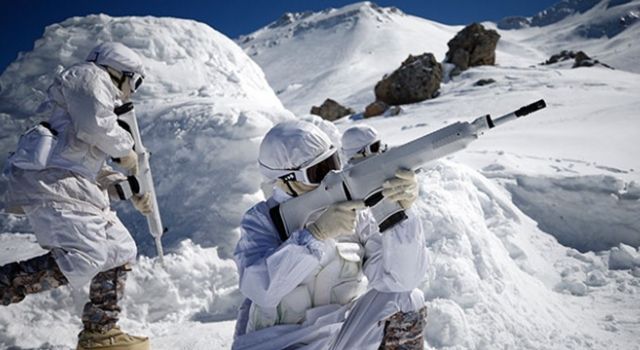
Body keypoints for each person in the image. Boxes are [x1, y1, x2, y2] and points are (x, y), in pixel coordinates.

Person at [0, 42, 151, 350]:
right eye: (134, 82)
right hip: (53, 185)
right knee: (86, 257)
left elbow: (87, 160)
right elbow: (96, 127)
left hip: (74, 185)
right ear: (119, 72)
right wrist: (126, 148)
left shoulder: (90, 102)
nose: (131, 92)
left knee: (119, 249)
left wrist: (132, 189)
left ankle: (101, 331)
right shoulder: (88, 76)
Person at [232, 120, 428, 349]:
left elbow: (401, 280)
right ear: (286, 180)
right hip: (276, 343)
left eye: (333, 164)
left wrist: (399, 213)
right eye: (318, 172)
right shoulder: (262, 220)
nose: (330, 177)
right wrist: (315, 236)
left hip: (338, 336)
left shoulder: (355, 213)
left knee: (406, 298)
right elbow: (261, 288)